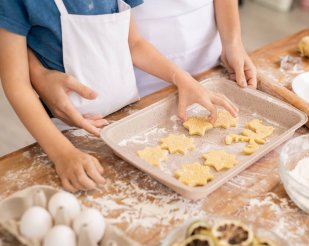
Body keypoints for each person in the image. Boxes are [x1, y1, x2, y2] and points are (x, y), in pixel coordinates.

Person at [0, 0, 237, 192]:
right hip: (71, 132)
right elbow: (16, 84)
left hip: (126, 117)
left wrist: (181, 78)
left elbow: (134, 45)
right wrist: (62, 153)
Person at [27, 0, 257, 135]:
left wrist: (232, 41)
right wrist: (38, 74)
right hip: (122, 83)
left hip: (203, 68)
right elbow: (13, 29)